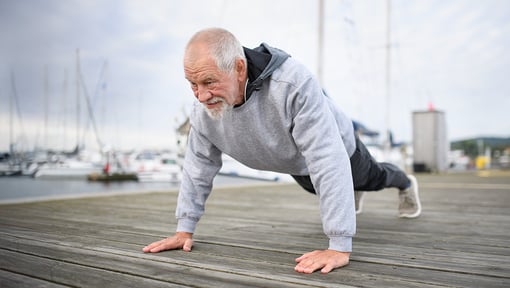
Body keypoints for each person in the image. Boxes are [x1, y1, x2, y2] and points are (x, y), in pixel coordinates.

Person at [143, 27, 422, 274]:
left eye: (209, 82)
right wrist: (184, 229)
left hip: (340, 149)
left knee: (372, 179)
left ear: (239, 68)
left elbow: (327, 158)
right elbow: (197, 168)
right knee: (316, 188)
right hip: (295, 163)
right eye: (193, 84)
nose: (201, 95)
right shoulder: (203, 112)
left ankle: (406, 183)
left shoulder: (292, 83)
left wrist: (339, 246)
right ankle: (350, 190)